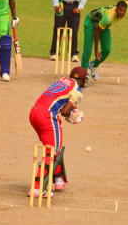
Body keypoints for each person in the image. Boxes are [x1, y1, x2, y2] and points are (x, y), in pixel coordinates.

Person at [28, 66, 88, 198]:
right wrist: (71, 114)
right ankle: (37, 188)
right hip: (47, 116)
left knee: (55, 147)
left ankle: (59, 180)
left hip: (34, 112)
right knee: (51, 151)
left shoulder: (63, 80)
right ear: (82, 80)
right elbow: (66, 112)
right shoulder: (78, 92)